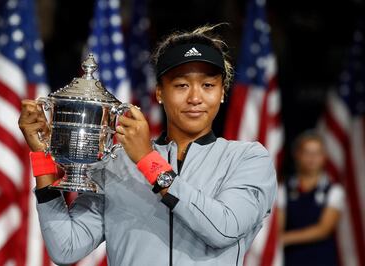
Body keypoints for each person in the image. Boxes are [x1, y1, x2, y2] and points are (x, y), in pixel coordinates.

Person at [19, 25, 277, 266]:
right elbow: (66, 247)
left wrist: (147, 160)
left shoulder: (248, 159)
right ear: (160, 93)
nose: (195, 97)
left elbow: (224, 229)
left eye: (208, 85)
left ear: (222, 92)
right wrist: (41, 155)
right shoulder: (116, 164)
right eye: (181, 85)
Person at [279, 131, 345, 266]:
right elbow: (278, 224)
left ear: (324, 156)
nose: (312, 158)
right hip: (290, 259)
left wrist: (285, 238)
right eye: (307, 152)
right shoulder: (283, 188)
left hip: (322, 259)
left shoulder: (334, 190)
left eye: (317, 153)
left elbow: (323, 229)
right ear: (297, 154)